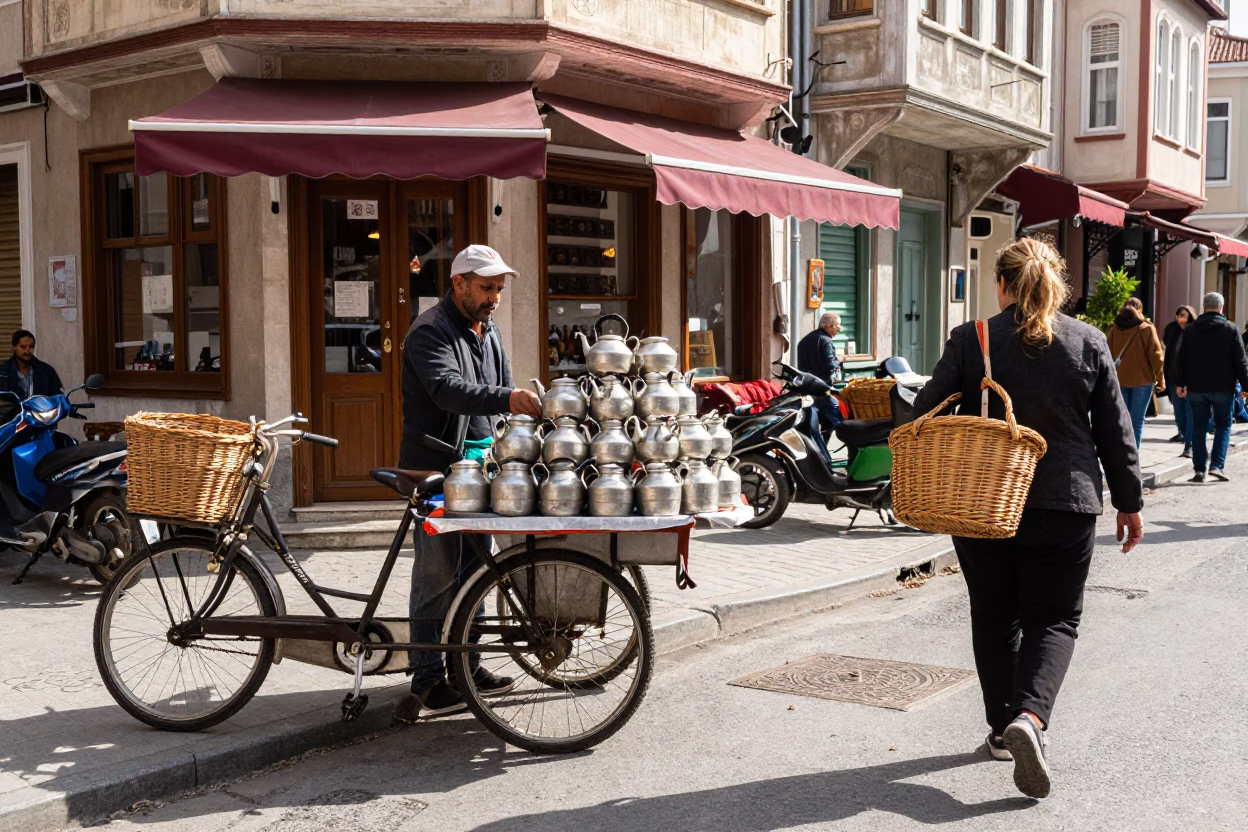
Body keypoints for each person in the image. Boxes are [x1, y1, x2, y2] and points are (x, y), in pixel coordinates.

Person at [911, 238, 1143, 800]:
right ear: (1054, 282)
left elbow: (925, 412)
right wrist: (1129, 502)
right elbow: (1114, 430)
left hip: (983, 501)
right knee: (1055, 619)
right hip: (1066, 502)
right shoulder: (1087, 341)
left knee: (994, 616)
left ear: (1001, 285)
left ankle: (1000, 728)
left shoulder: (973, 339)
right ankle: (1030, 720)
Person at [392, 244, 543, 724]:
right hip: (436, 465)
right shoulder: (429, 331)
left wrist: (516, 429)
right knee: (438, 572)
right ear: (458, 284)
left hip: (481, 463)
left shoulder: (488, 328)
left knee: (478, 567)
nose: (494, 297)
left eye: (499, 288)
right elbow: (447, 389)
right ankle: (427, 676)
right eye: (486, 287)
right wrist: (508, 396)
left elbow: (499, 395)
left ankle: (468, 667)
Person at [1173, 292, 1248, 483]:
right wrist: (1246, 385)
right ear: (1221, 307)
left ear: (1204, 307)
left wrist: (1180, 384)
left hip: (1197, 387)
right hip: (1224, 387)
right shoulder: (1231, 329)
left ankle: (1199, 470)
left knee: (1198, 427)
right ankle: (1217, 465)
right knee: (1223, 425)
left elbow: (1181, 360)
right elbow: (1241, 360)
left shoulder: (1190, 330)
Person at [1106, 298, 1164, 448]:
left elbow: (1107, 354)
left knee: (1121, 421)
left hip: (1119, 380)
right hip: (1142, 381)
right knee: (1136, 421)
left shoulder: (1113, 329)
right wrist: (1160, 378)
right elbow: (1156, 356)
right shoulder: (1146, 328)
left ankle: (1120, 457)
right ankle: (1133, 458)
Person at [797, 312, 844, 430]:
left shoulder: (805, 340)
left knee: (811, 421)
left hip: (807, 388)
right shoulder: (825, 340)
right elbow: (831, 366)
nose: (839, 328)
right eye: (837, 325)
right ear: (830, 326)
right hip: (822, 388)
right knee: (835, 419)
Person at [1162, 306, 1197, 457]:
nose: (1182, 318)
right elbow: (1168, 353)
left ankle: (1189, 445)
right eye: (1179, 315)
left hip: (1192, 379)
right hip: (1173, 378)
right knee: (1179, 414)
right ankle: (1183, 434)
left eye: (1184, 315)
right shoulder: (1172, 330)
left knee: (1190, 413)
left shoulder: (1196, 331)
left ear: (1190, 316)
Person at [1, 330, 63, 400]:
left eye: (31, 347)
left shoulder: (47, 371)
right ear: (14, 348)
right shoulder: (3, 372)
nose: (27, 351)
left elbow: (58, 399)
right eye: (23, 347)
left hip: (40, 411)